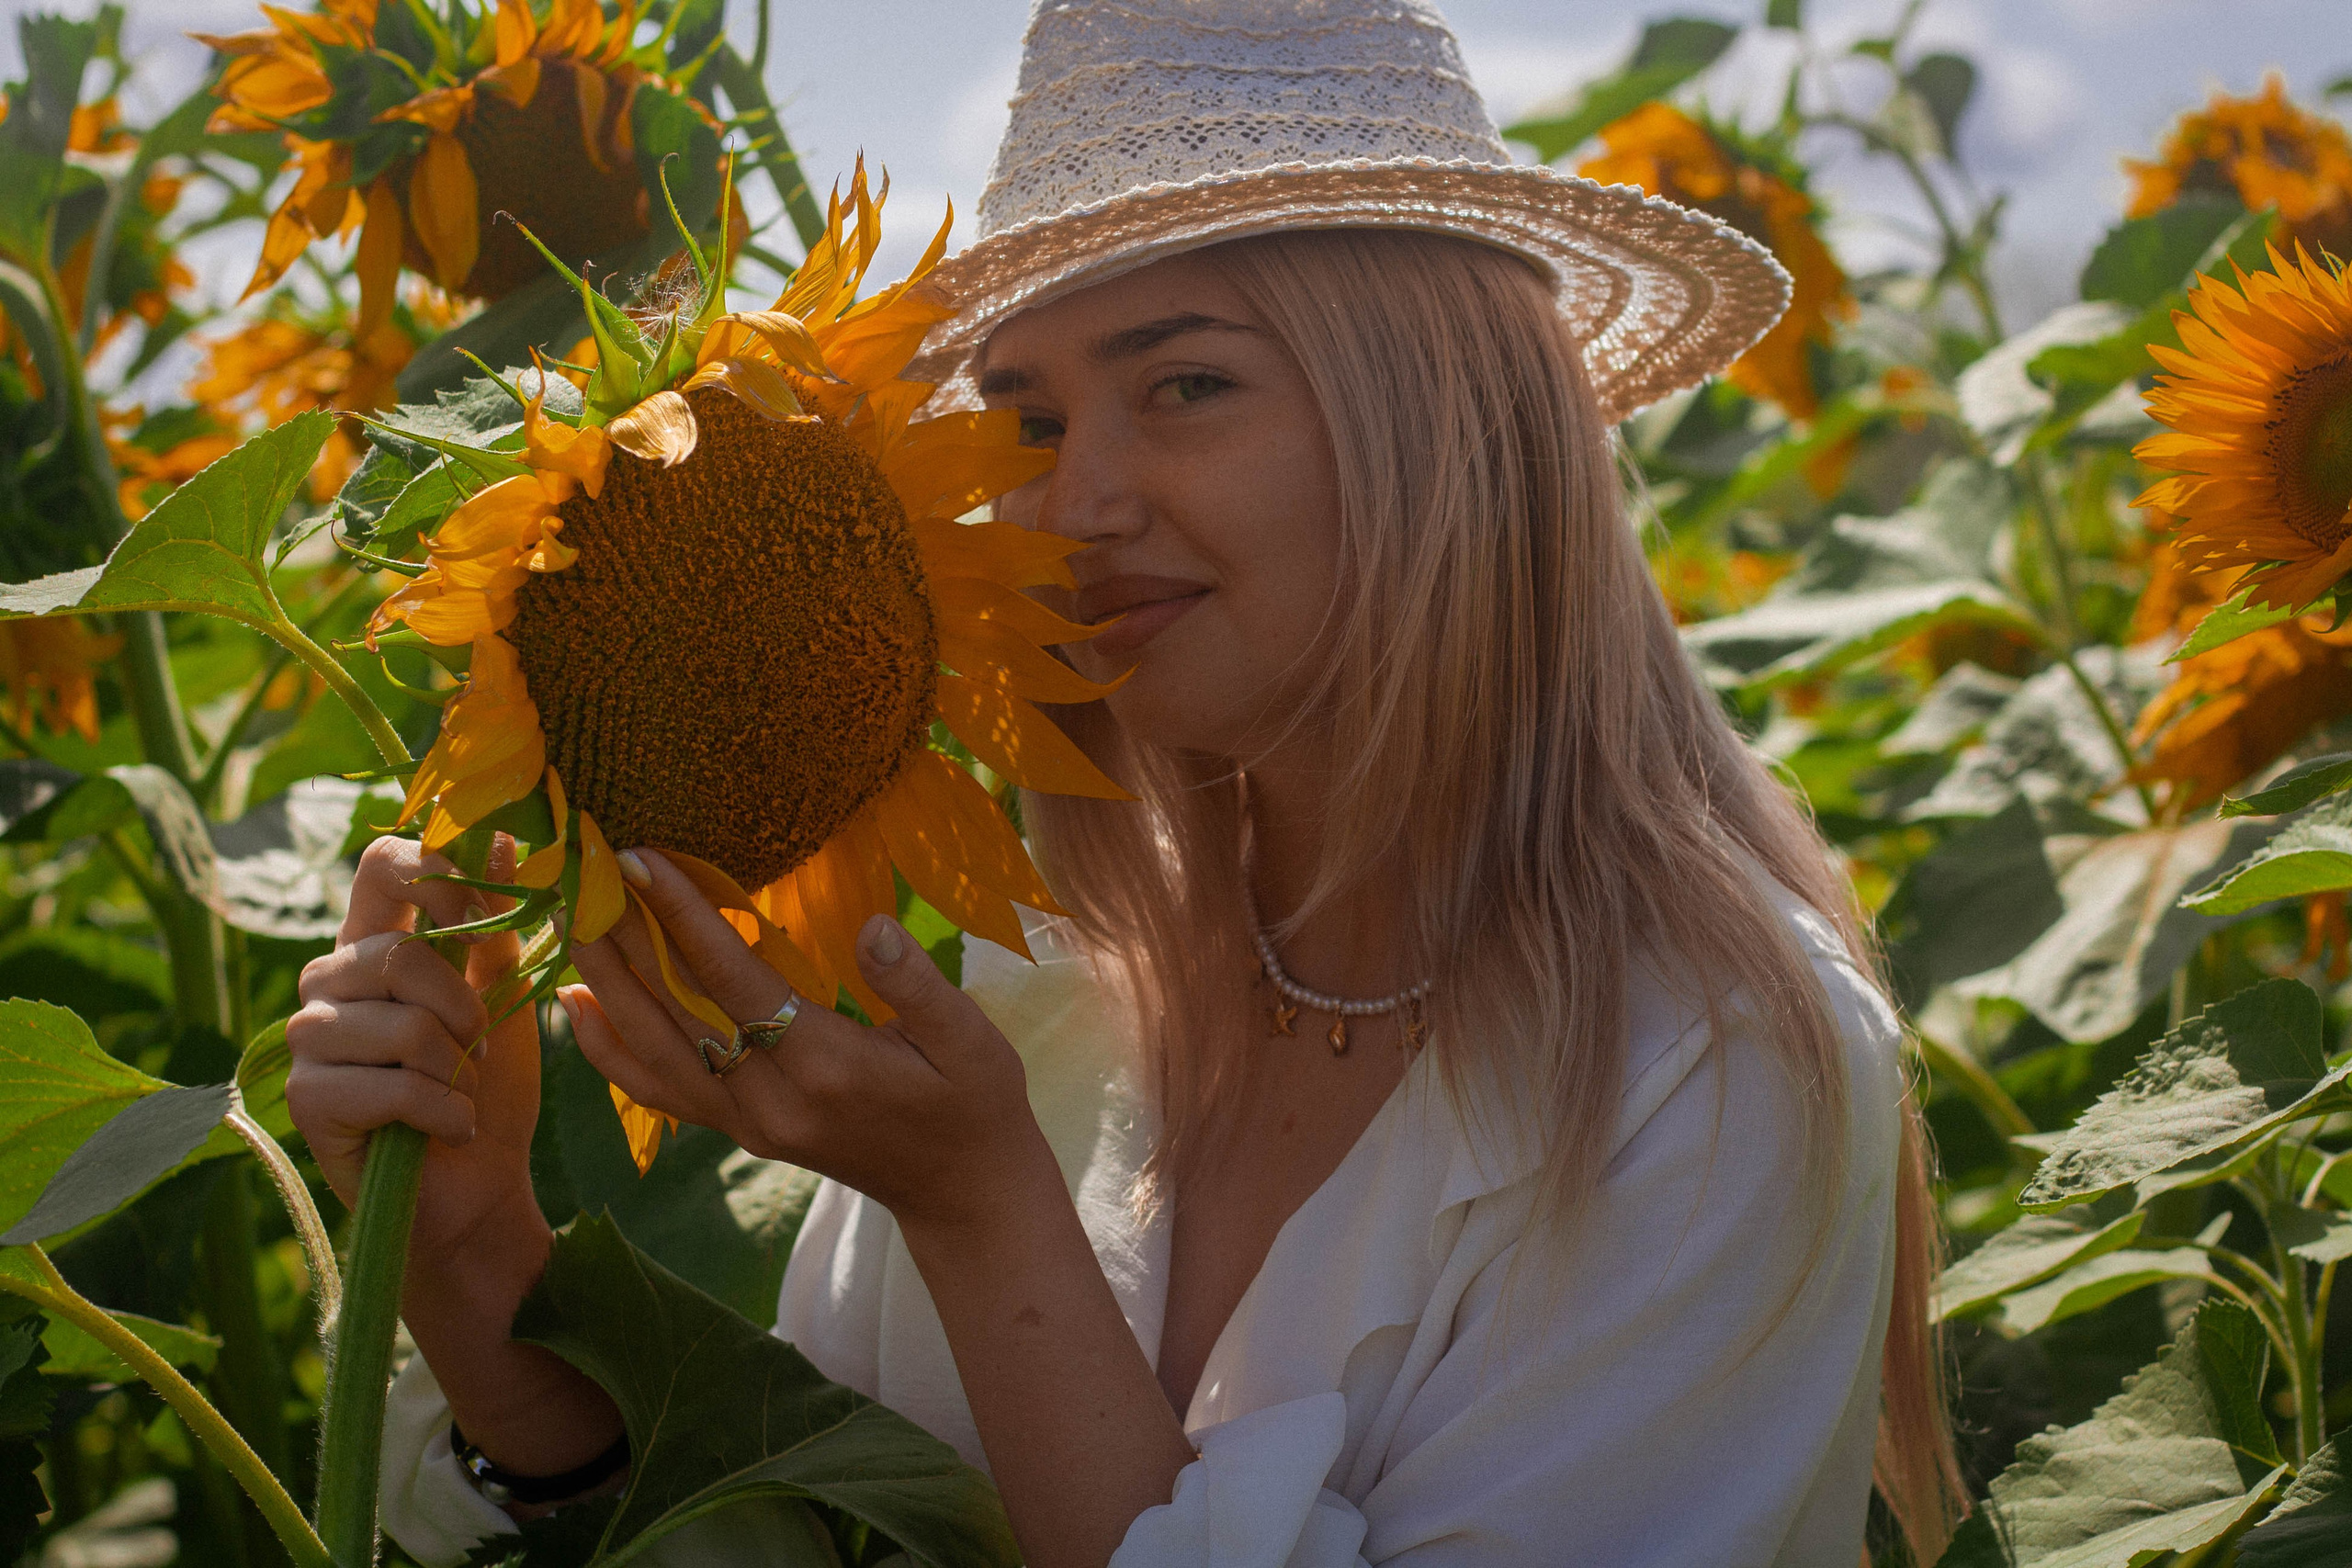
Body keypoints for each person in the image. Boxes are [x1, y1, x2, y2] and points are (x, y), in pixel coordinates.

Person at [288, 2, 1961, 1563]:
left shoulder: (1717, 1066)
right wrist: (472, 1258)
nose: (1071, 502)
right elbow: (807, 1530)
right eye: (1021, 419)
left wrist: (982, 1211)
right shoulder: (1054, 973)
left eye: (1186, 387)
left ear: (1446, 420)